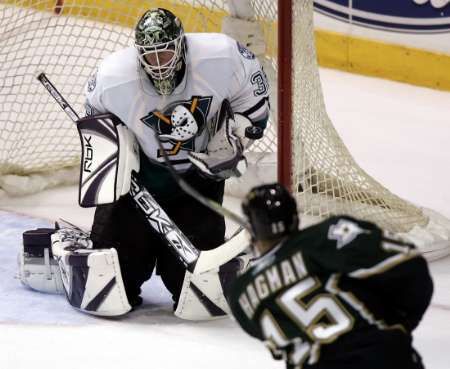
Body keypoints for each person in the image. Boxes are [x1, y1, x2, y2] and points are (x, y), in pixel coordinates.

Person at [80, 8, 269, 315]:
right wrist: (118, 158)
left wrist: (236, 134)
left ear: (181, 46)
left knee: (200, 298)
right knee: (109, 290)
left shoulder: (222, 57)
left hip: (198, 182)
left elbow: (255, 105)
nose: (157, 64)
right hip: (138, 186)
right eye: (149, 56)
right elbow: (95, 128)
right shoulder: (112, 79)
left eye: (164, 54)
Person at [228, 183, 433, 369]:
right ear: (294, 217)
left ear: (253, 230)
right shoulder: (327, 236)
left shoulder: (241, 294)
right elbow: (409, 266)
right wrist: (399, 323)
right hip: (382, 356)